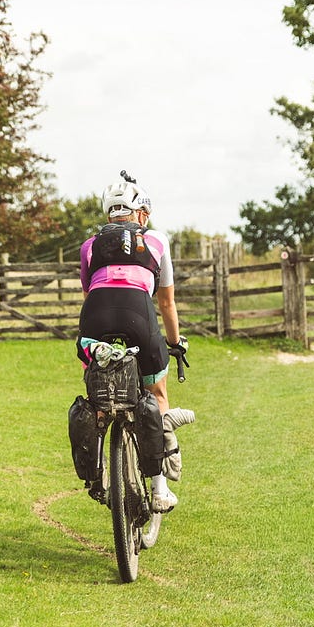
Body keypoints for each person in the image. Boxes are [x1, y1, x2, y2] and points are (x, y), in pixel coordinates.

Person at [76, 171, 191, 512]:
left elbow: (88, 293)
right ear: (140, 213)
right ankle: (159, 488)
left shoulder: (89, 246)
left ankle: (96, 469)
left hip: (95, 315)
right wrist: (175, 342)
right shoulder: (156, 240)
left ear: (108, 214)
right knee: (157, 394)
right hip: (138, 313)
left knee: (95, 383)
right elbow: (167, 302)